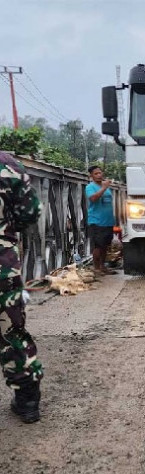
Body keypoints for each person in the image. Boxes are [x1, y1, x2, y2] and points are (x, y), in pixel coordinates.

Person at [0, 152, 43, 423]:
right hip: (2, 262)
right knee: (10, 330)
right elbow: (29, 212)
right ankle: (27, 401)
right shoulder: (8, 164)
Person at [86, 166, 116, 275]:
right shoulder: (90, 187)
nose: (99, 175)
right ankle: (96, 268)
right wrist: (103, 188)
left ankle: (103, 266)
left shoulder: (107, 187)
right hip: (97, 221)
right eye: (96, 174)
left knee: (105, 245)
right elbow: (93, 199)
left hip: (108, 221)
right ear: (91, 176)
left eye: (100, 173)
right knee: (98, 246)